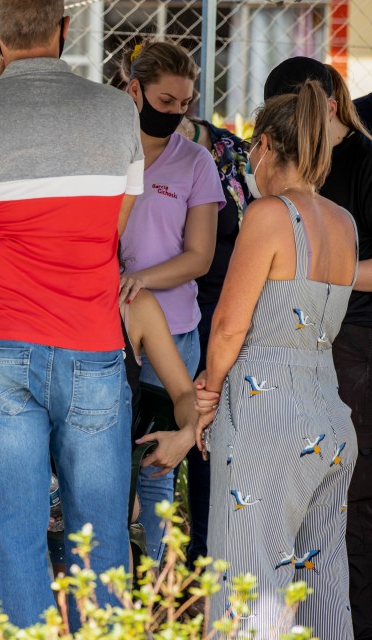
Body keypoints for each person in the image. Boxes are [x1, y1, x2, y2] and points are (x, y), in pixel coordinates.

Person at [0, 0, 144, 626]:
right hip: (91, 344)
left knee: (15, 534)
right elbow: (115, 227)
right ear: (66, 30)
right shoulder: (115, 111)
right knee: (99, 540)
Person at [195, 79, 357, 638]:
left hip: (268, 420)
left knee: (248, 592)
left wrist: (208, 396)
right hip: (329, 419)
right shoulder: (344, 223)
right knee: (319, 593)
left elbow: (228, 326)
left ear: (263, 145)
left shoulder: (268, 214)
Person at [0, 282, 200, 584]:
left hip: (101, 473)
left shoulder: (133, 306)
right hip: (37, 466)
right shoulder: (29, 293)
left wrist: (187, 433)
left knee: (98, 518)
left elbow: (184, 393)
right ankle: (30, 621)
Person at [263, 57, 372, 639]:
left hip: (354, 344)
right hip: (311, 352)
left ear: (328, 105)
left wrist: (316, 271)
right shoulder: (308, 173)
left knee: (350, 504)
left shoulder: (362, 156)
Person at [112, 40, 224, 562]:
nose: (177, 114)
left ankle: (154, 590)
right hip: (105, 323)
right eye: (164, 102)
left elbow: (200, 256)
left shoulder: (196, 161)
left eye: (185, 104)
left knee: (156, 467)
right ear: (133, 91)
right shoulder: (105, 149)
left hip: (174, 332)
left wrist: (141, 279)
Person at [175, 100, 253, 568]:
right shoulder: (132, 147)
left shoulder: (229, 153)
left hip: (217, 305)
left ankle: (202, 555)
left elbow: (254, 226)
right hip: (153, 303)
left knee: (205, 426)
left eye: (176, 101)